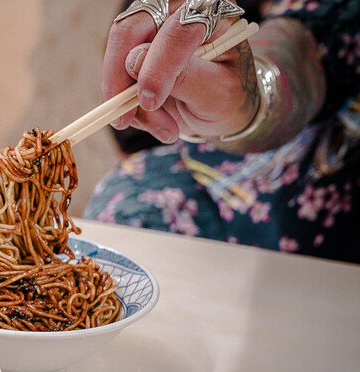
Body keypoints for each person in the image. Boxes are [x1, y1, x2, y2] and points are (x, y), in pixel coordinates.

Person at [84, 0, 360, 264]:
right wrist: (246, 101)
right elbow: (306, 45)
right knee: (125, 218)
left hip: (328, 205)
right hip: (239, 155)